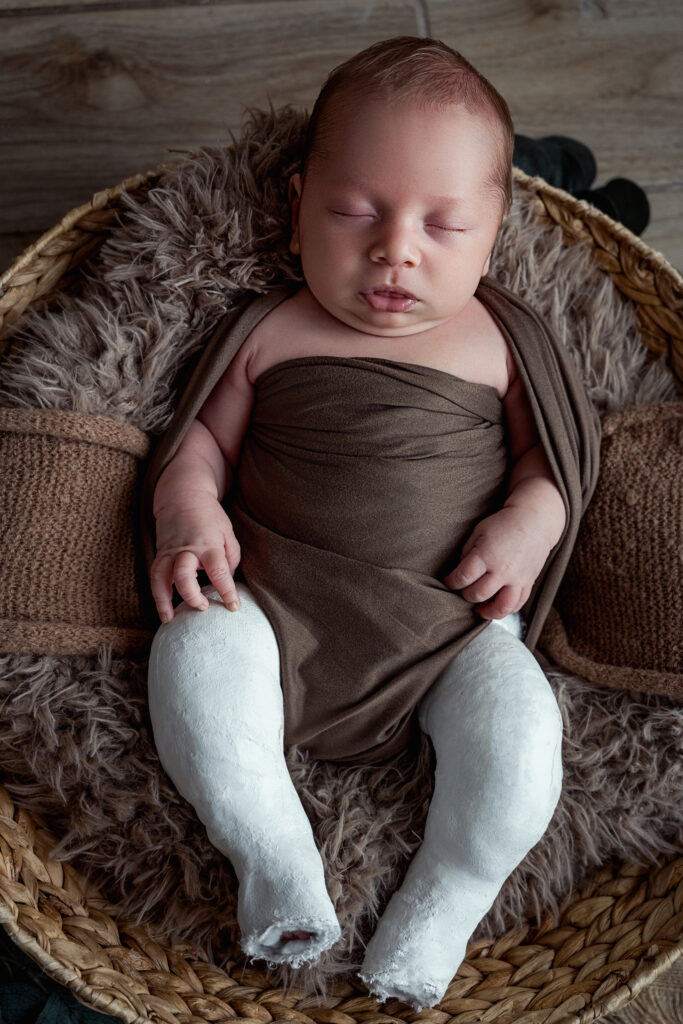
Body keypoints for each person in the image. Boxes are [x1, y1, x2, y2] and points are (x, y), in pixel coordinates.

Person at [144, 37, 599, 1010]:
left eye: (444, 224)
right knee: (193, 659)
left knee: (520, 744)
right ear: (297, 205)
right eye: (354, 212)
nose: (395, 248)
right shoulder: (269, 329)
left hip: (450, 632)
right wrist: (188, 512)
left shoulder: (499, 341)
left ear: (493, 234)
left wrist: (528, 521)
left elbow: (552, 462)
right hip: (272, 610)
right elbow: (199, 444)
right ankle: (274, 859)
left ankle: (444, 900)